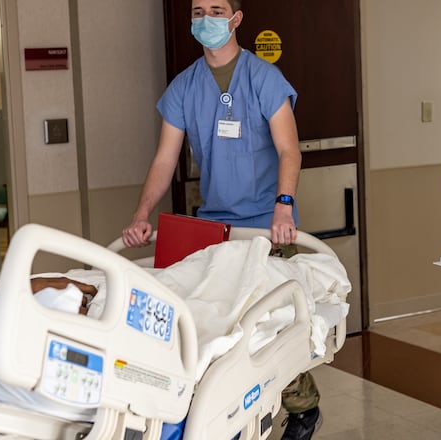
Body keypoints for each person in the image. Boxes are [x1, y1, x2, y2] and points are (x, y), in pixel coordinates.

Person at [120, 1, 321, 438]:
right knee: (219, 326)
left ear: (235, 19)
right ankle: (224, 417)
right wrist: (140, 215)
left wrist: (283, 205)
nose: (206, 19)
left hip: (267, 224)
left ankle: (302, 407)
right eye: (198, 11)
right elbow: (164, 160)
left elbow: (289, 149)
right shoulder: (184, 87)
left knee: (265, 328)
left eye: (216, 9)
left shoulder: (263, 79)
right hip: (215, 227)